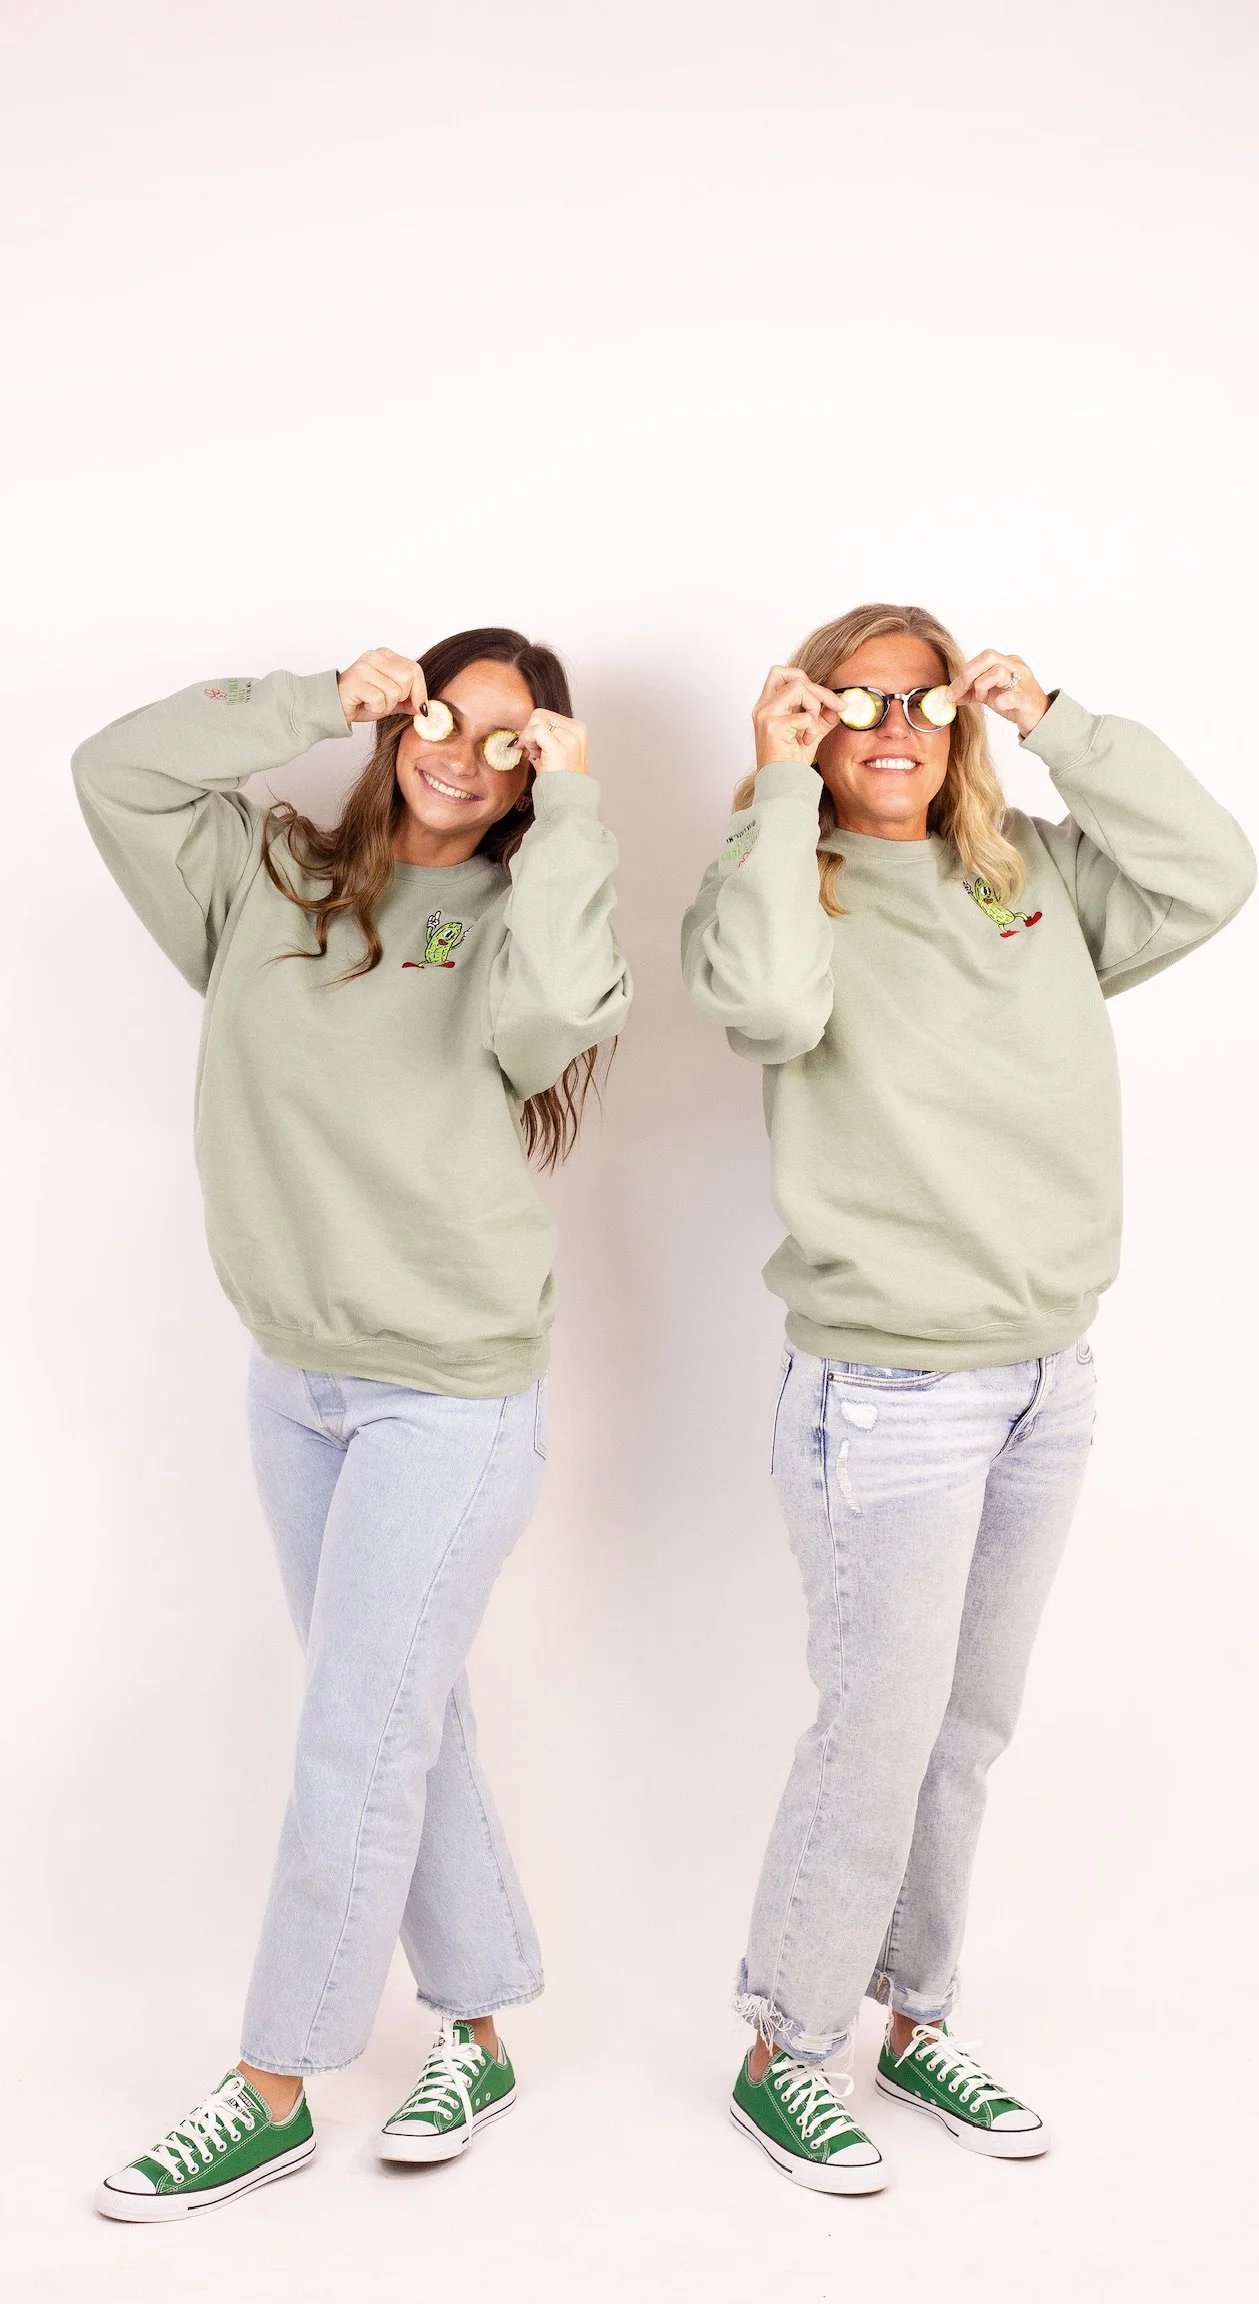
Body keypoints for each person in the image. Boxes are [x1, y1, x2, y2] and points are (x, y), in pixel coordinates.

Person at [683, 602, 1256, 2193]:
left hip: (1045, 1378)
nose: (894, 729)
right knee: (875, 1735)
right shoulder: (777, 883)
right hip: (888, 1389)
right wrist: (777, 784)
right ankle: (785, 2050)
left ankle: (914, 2017)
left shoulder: (1031, 879)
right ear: (812, 718)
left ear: (964, 725)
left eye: (925, 702)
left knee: (964, 1732)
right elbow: (770, 1011)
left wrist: (1065, 720)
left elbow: (1212, 871)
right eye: (857, 701)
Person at [76, 630, 632, 2220]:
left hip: (449, 1392)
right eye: (449, 717)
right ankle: (481, 2028)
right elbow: (113, 771)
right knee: (399, 1713)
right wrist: (315, 700)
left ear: (535, 775)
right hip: (295, 1379)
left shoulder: (529, 914)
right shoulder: (267, 882)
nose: (467, 755)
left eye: (514, 744)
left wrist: (575, 816)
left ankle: (273, 2086)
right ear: (403, 721)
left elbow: (563, 1015)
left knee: (356, 1734)